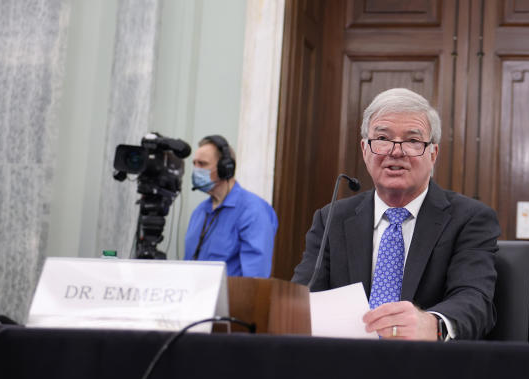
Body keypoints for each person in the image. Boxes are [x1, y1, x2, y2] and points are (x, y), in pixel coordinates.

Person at [292, 88, 499, 341]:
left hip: (426, 368)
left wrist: (433, 324)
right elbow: (304, 297)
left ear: (433, 154)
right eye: (382, 138)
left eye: (412, 141)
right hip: (344, 365)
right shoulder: (332, 218)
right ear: (365, 150)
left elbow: (475, 299)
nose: (396, 151)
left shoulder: (469, 219)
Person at [183, 134, 278, 277]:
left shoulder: (253, 211)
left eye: (202, 164)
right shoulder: (199, 212)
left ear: (225, 168)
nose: (196, 170)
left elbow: (255, 279)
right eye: (194, 164)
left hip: (231, 299)